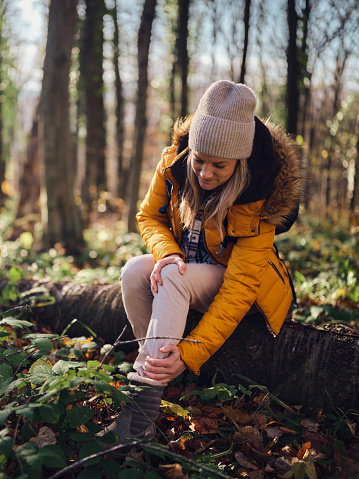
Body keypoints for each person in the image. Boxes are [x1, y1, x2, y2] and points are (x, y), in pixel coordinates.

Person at [98, 80, 303, 446]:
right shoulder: (174, 163)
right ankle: (158, 364)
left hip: (243, 288)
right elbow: (148, 217)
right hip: (187, 269)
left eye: (219, 166)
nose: (205, 173)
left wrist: (191, 353)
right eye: (199, 160)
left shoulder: (261, 195)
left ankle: (139, 416)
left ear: (239, 161)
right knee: (133, 271)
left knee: (175, 278)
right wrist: (168, 252)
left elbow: (241, 286)